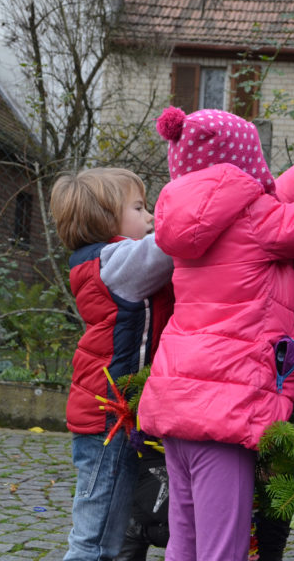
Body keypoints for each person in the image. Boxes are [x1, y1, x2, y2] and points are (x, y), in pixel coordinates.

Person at [137, 107, 294, 560]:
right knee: (221, 549)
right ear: (243, 165)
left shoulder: (193, 221)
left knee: (186, 540)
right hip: (224, 412)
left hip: (178, 402)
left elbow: (257, 210)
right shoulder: (257, 225)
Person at [49, 167, 175, 561]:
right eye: (139, 207)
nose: (151, 216)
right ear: (105, 220)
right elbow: (173, 245)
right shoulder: (116, 261)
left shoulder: (105, 259)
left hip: (111, 414)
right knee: (95, 539)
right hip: (107, 418)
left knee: (109, 535)